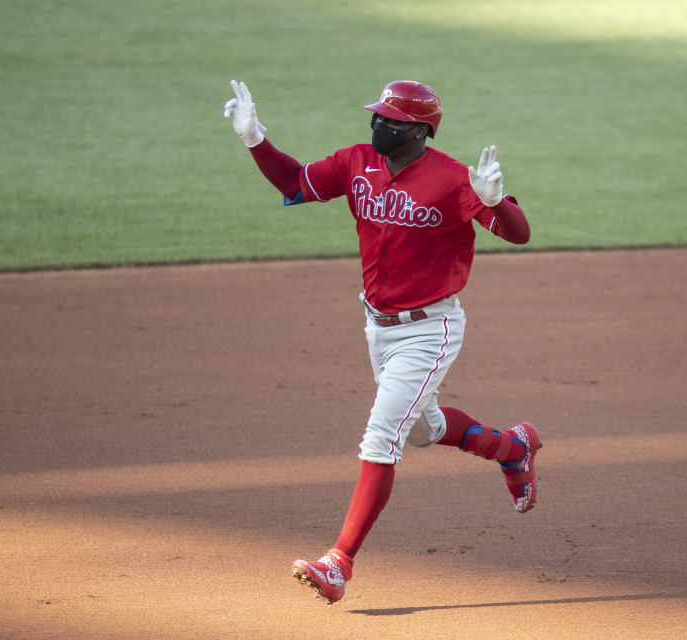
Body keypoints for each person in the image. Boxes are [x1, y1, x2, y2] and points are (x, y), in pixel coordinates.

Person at [223, 79, 541, 604]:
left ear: (420, 131)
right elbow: (296, 183)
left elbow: (518, 232)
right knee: (424, 429)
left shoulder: (455, 179)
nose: (378, 126)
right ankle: (513, 448)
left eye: (391, 121)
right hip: (379, 327)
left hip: (429, 329)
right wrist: (255, 137)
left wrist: (495, 202)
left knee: (381, 437)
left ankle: (338, 562)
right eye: (377, 116)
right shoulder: (356, 163)